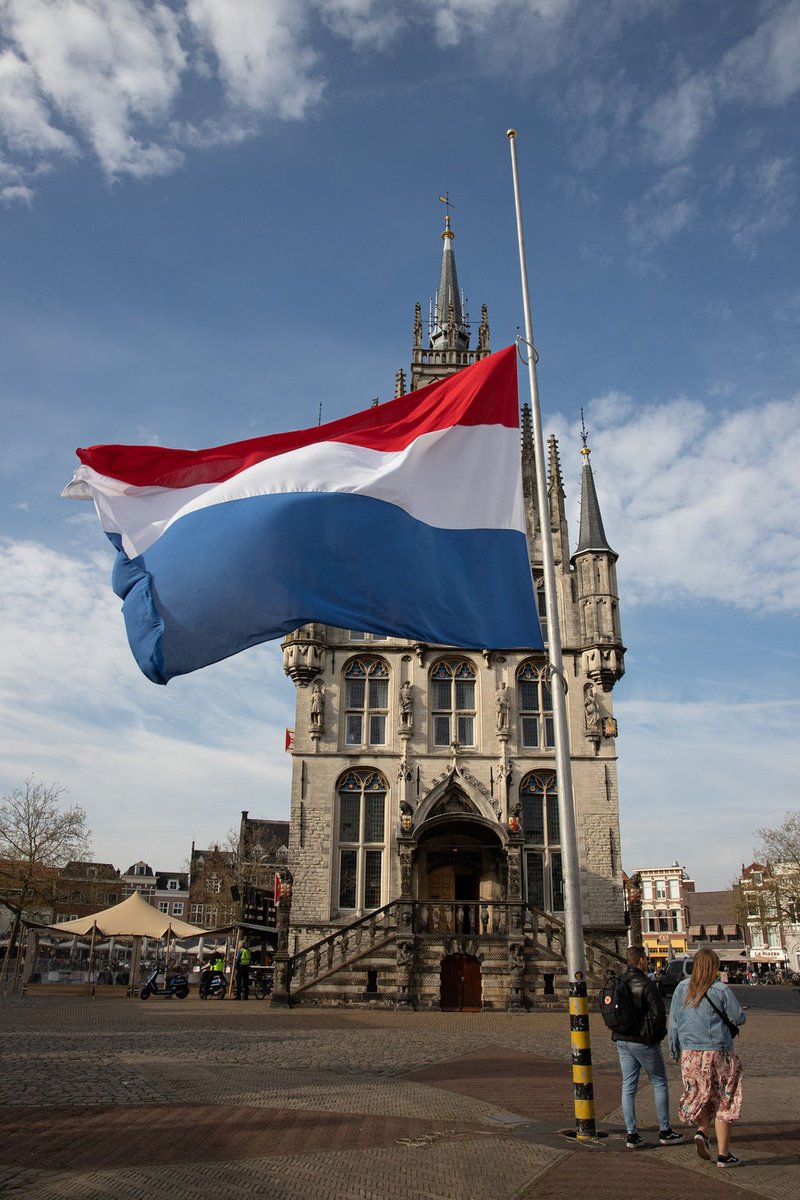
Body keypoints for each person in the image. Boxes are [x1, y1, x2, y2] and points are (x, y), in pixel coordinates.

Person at [668, 947, 746, 1168]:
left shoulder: (681, 988)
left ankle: (702, 1130)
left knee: (700, 1094)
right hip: (718, 1050)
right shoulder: (721, 989)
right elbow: (738, 1017)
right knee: (724, 1098)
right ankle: (723, 1154)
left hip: (690, 1053)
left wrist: (674, 1049)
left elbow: (673, 1022)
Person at [613, 945, 684, 1149]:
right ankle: (665, 1130)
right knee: (659, 1082)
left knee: (628, 1086)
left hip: (622, 1039)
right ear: (641, 960)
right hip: (643, 1040)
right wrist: (658, 1036)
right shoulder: (646, 983)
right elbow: (659, 1014)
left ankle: (632, 1134)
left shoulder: (619, 981)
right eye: (645, 958)